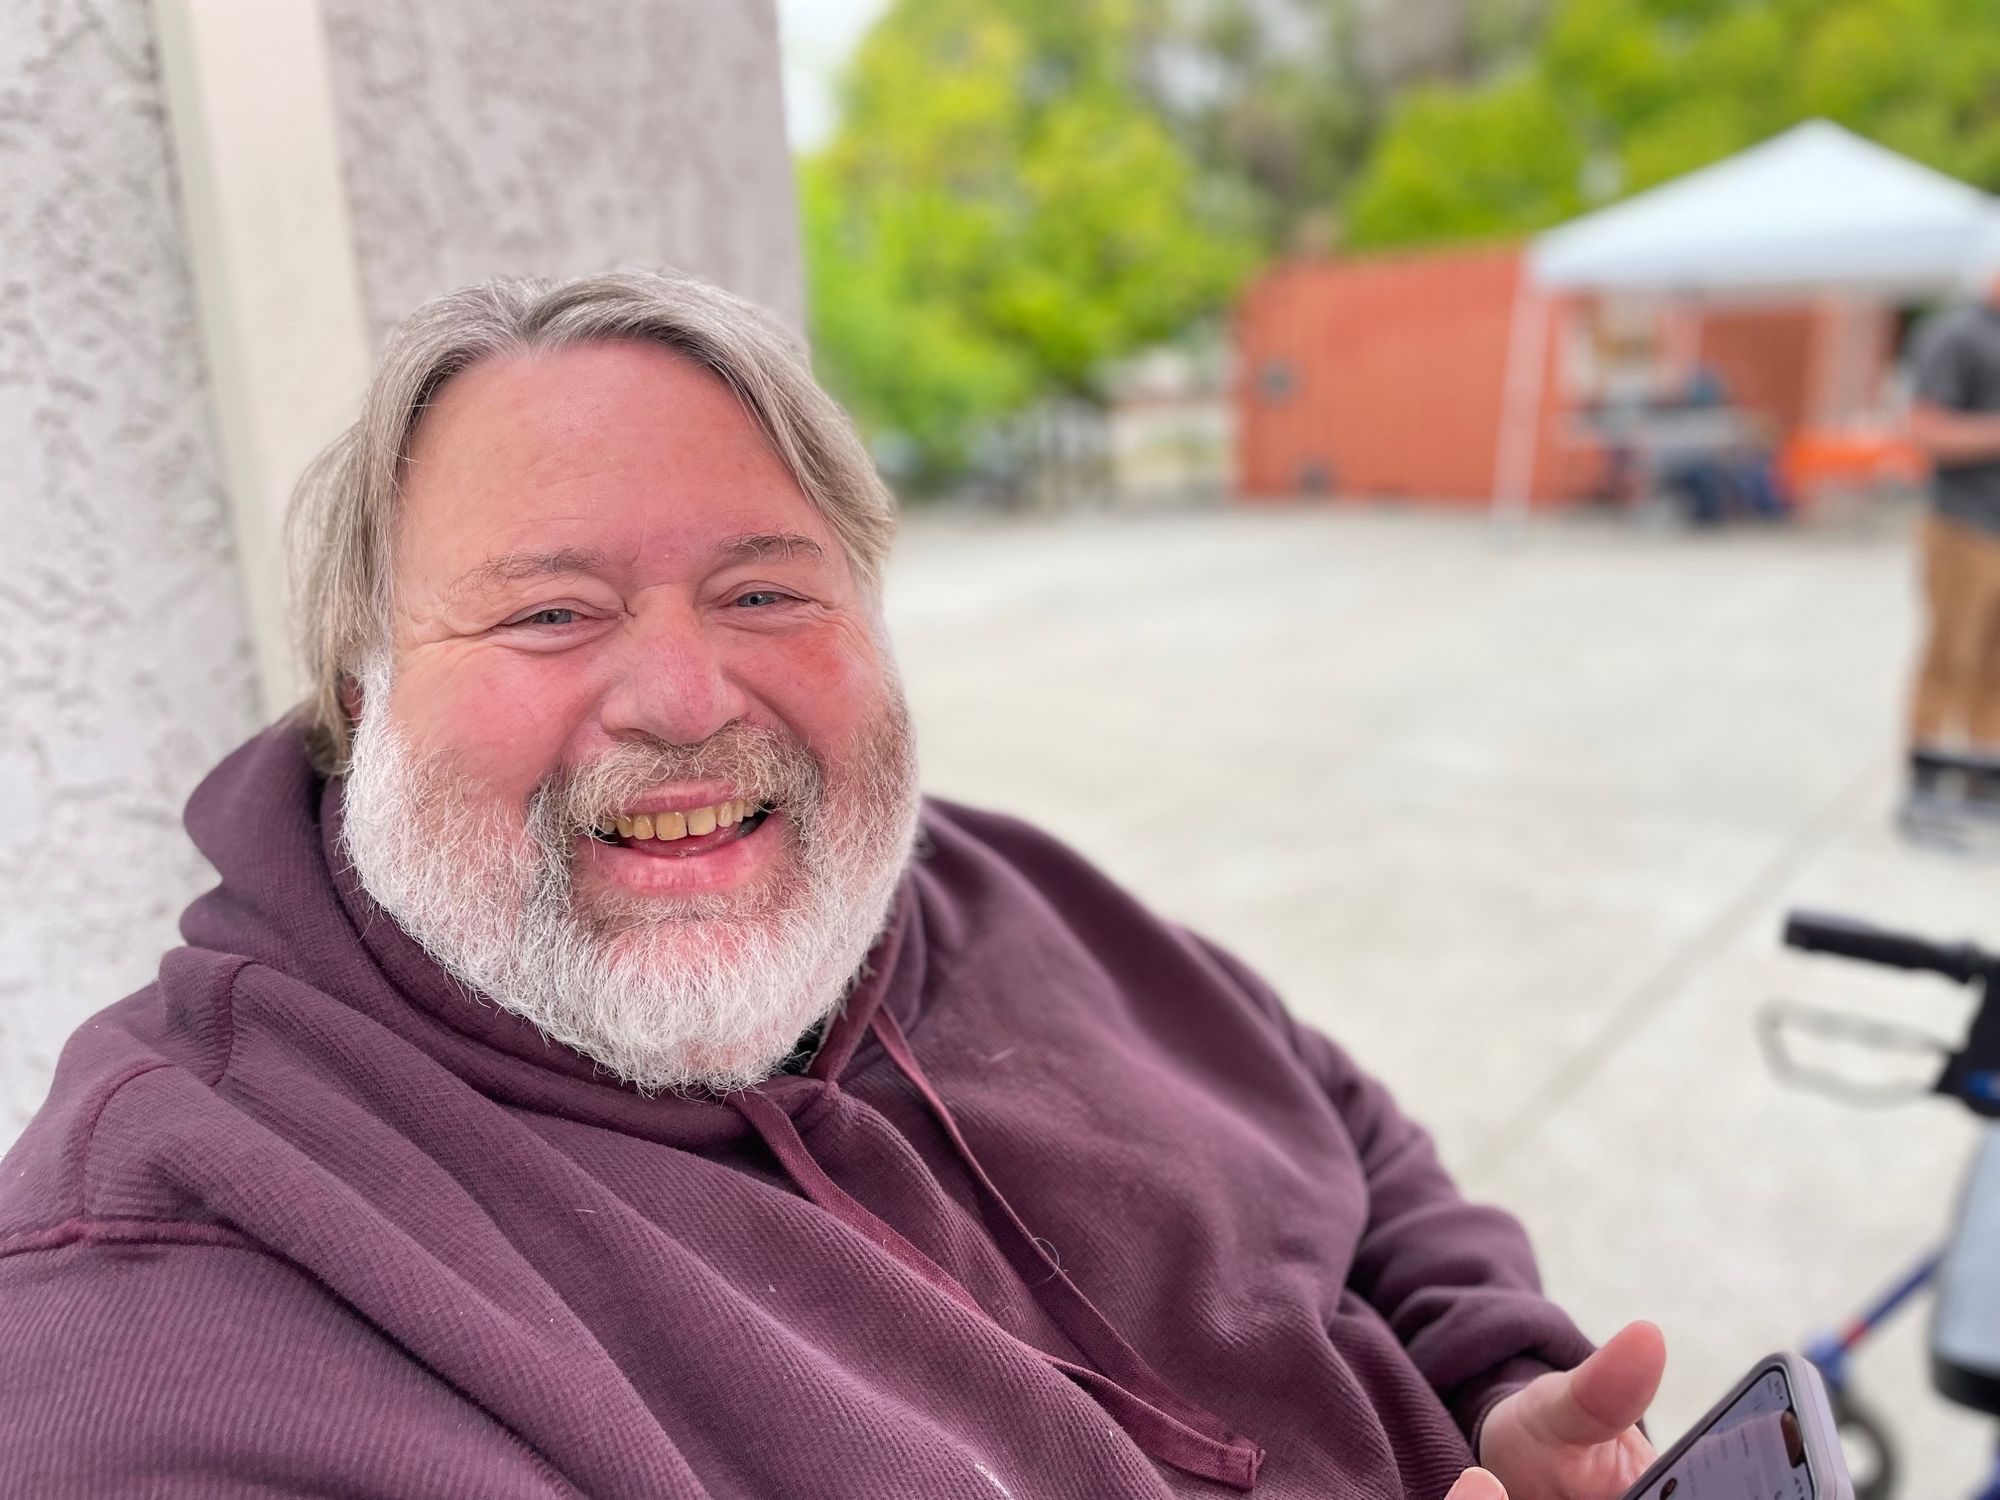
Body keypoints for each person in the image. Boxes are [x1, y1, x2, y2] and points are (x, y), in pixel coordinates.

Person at [0, 270, 1664, 1499]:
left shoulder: (985, 889)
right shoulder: (171, 1274)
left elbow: (1336, 1121)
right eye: (549, 612)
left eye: (767, 590)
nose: (686, 698)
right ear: (362, 700)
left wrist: (1495, 1375)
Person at [1903, 251, 2000, 825]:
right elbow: (1924, 428)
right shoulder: (1958, 336)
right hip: (1963, 523)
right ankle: (1927, 780)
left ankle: (1983, 781)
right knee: (1950, 654)